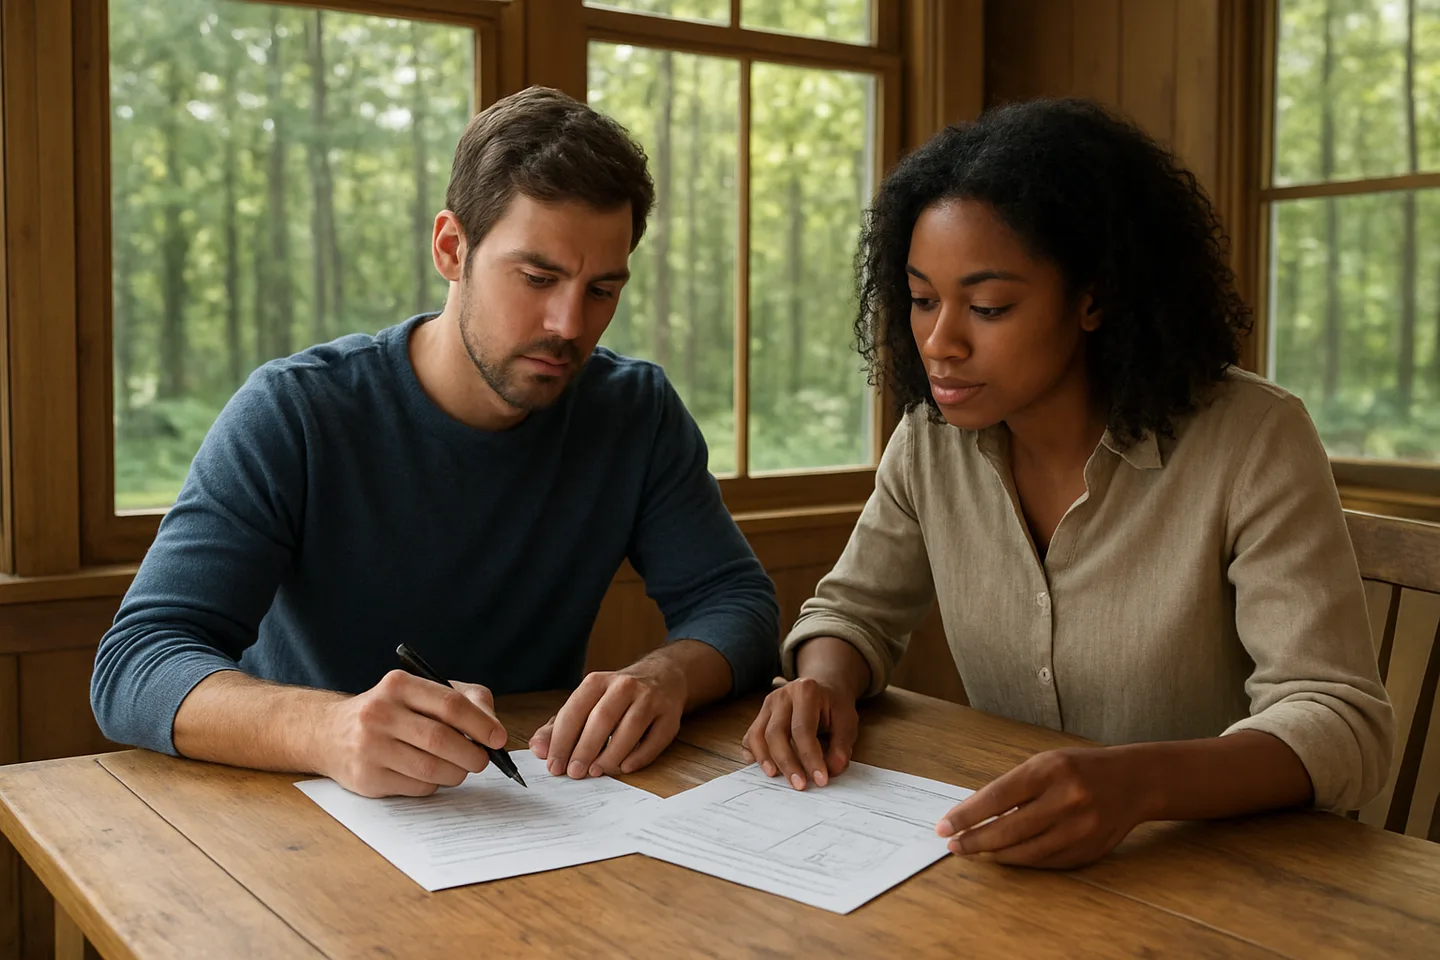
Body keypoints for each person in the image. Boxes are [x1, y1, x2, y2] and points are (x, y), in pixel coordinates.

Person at [742, 98, 1393, 869]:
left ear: (1094, 298)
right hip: (1018, 864)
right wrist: (821, 683)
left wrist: (1139, 784)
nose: (940, 342)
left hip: (1222, 871)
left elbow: (1340, 719)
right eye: (922, 300)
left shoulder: (1254, 439)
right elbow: (854, 611)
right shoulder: (930, 440)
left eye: (988, 306)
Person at [92, 86, 779, 799]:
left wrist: (665, 676)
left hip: (539, 804)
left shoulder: (634, 412)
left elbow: (739, 604)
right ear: (452, 248)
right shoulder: (296, 411)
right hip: (304, 814)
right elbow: (136, 662)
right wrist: (328, 728)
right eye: (537, 277)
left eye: (602, 290)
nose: (569, 325)